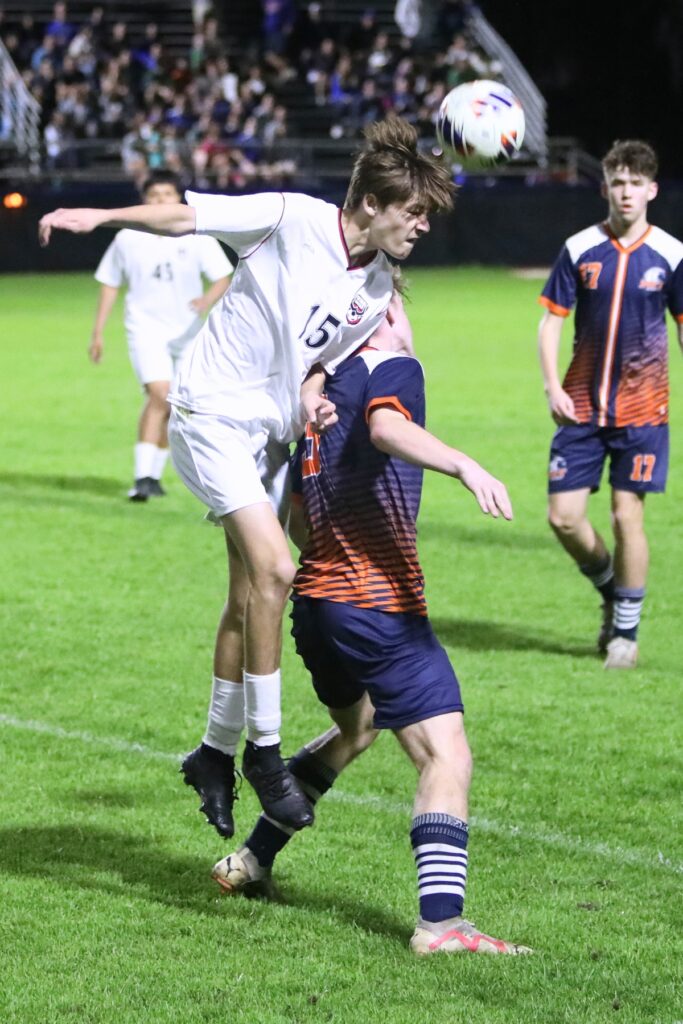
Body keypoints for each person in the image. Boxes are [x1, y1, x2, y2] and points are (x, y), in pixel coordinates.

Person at [38, 115, 455, 835]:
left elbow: (314, 364)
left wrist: (312, 400)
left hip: (268, 438)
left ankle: (211, 752)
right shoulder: (290, 215)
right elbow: (186, 215)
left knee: (245, 599)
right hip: (208, 414)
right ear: (368, 205)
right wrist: (103, 213)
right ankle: (263, 754)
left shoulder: (379, 288)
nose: (421, 228)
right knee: (275, 570)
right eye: (412, 213)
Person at [210, 287, 532, 957]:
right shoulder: (390, 367)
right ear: (383, 314)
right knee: (445, 752)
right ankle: (441, 926)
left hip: (317, 605)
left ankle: (253, 858)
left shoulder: (314, 403)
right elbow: (387, 428)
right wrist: (464, 464)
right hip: (376, 606)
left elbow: (295, 518)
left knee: (356, 730)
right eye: (402, 306)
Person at [538, 140, 683, 669]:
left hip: (644, 412)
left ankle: (625, 633)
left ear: (651, 190)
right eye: (617, 182)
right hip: (579, 408)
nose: (625, 192)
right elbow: (551, 320)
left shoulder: (670, 254)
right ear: (605, 188)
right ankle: (609, 586)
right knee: (564, 517)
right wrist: (552, 385)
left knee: (627, 517)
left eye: (634, 183)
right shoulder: (579, 248)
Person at [90, 170, 233, 501]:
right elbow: (110, 281)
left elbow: (222, 276)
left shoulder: (196, 236)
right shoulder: (129, 236)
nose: (161, 201)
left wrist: (206, 300)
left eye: (167, 195)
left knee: (176, 403)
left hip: (187, 331)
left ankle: (153, 476)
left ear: (177, 198)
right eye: (154, 196)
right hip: (145, 329)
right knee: (159, 394)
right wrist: (98, 331)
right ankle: (141, 477)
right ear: (145, 200)